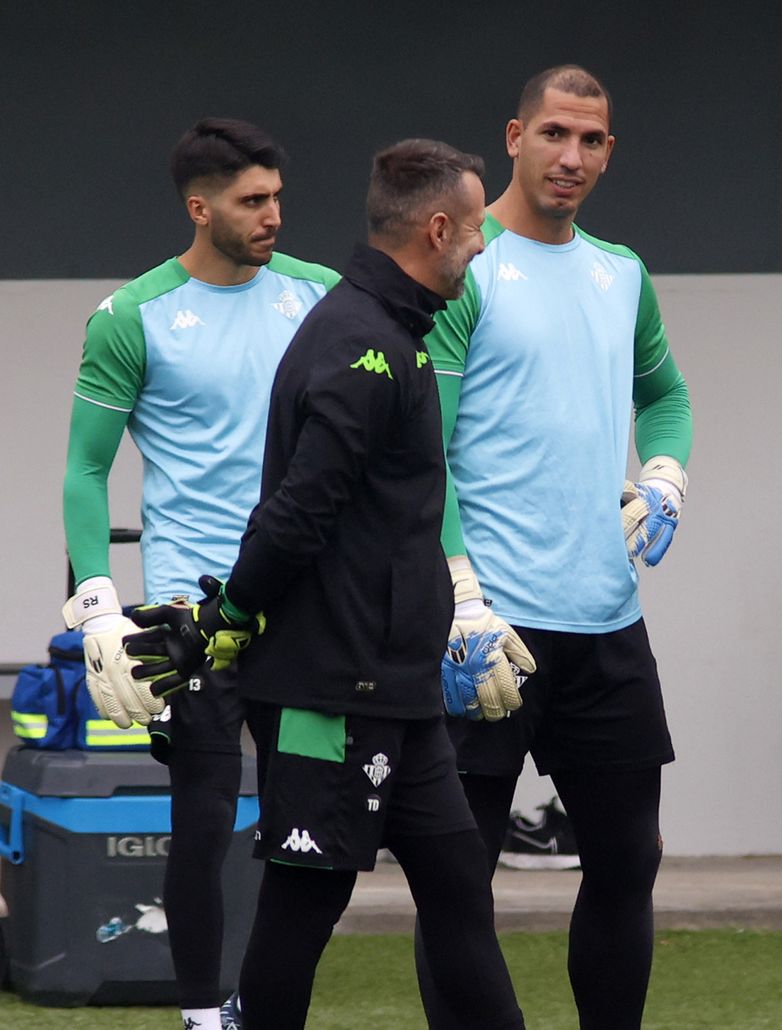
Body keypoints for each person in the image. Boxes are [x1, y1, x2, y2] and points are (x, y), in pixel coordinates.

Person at [126, 138, 524, 1030]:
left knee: (461, 895)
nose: (483, 248)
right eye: (473, 231)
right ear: (435, 227)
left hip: (400, 693)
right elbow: (299, 514)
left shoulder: (396, 335)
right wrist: (223, 618)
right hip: (328, 692)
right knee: (305, 911)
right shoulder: (363, 346)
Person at [418, 64, 691, 1030]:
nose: (571, 157)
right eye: (554, 135)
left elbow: (666, 396)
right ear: (514, 136)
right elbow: (426, 454)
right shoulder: (463, 267)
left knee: (629, 863)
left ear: (609, 151)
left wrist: (665, 473)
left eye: (592, 141)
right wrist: (460, 595)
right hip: (488, 630)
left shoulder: (623, 274)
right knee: (459, 879)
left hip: (607, 623)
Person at [60, 117, 338, 1030]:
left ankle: (268, 1003)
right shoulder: (133, 315)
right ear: (200, 207)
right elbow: (86, 471)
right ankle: (199, 1015)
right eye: (252, 201)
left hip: (301, 604)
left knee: (309, 825)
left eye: (277, 198)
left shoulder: (321, 297)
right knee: (206, 818)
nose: (272, 216)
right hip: (188, 611)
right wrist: (98, 605)